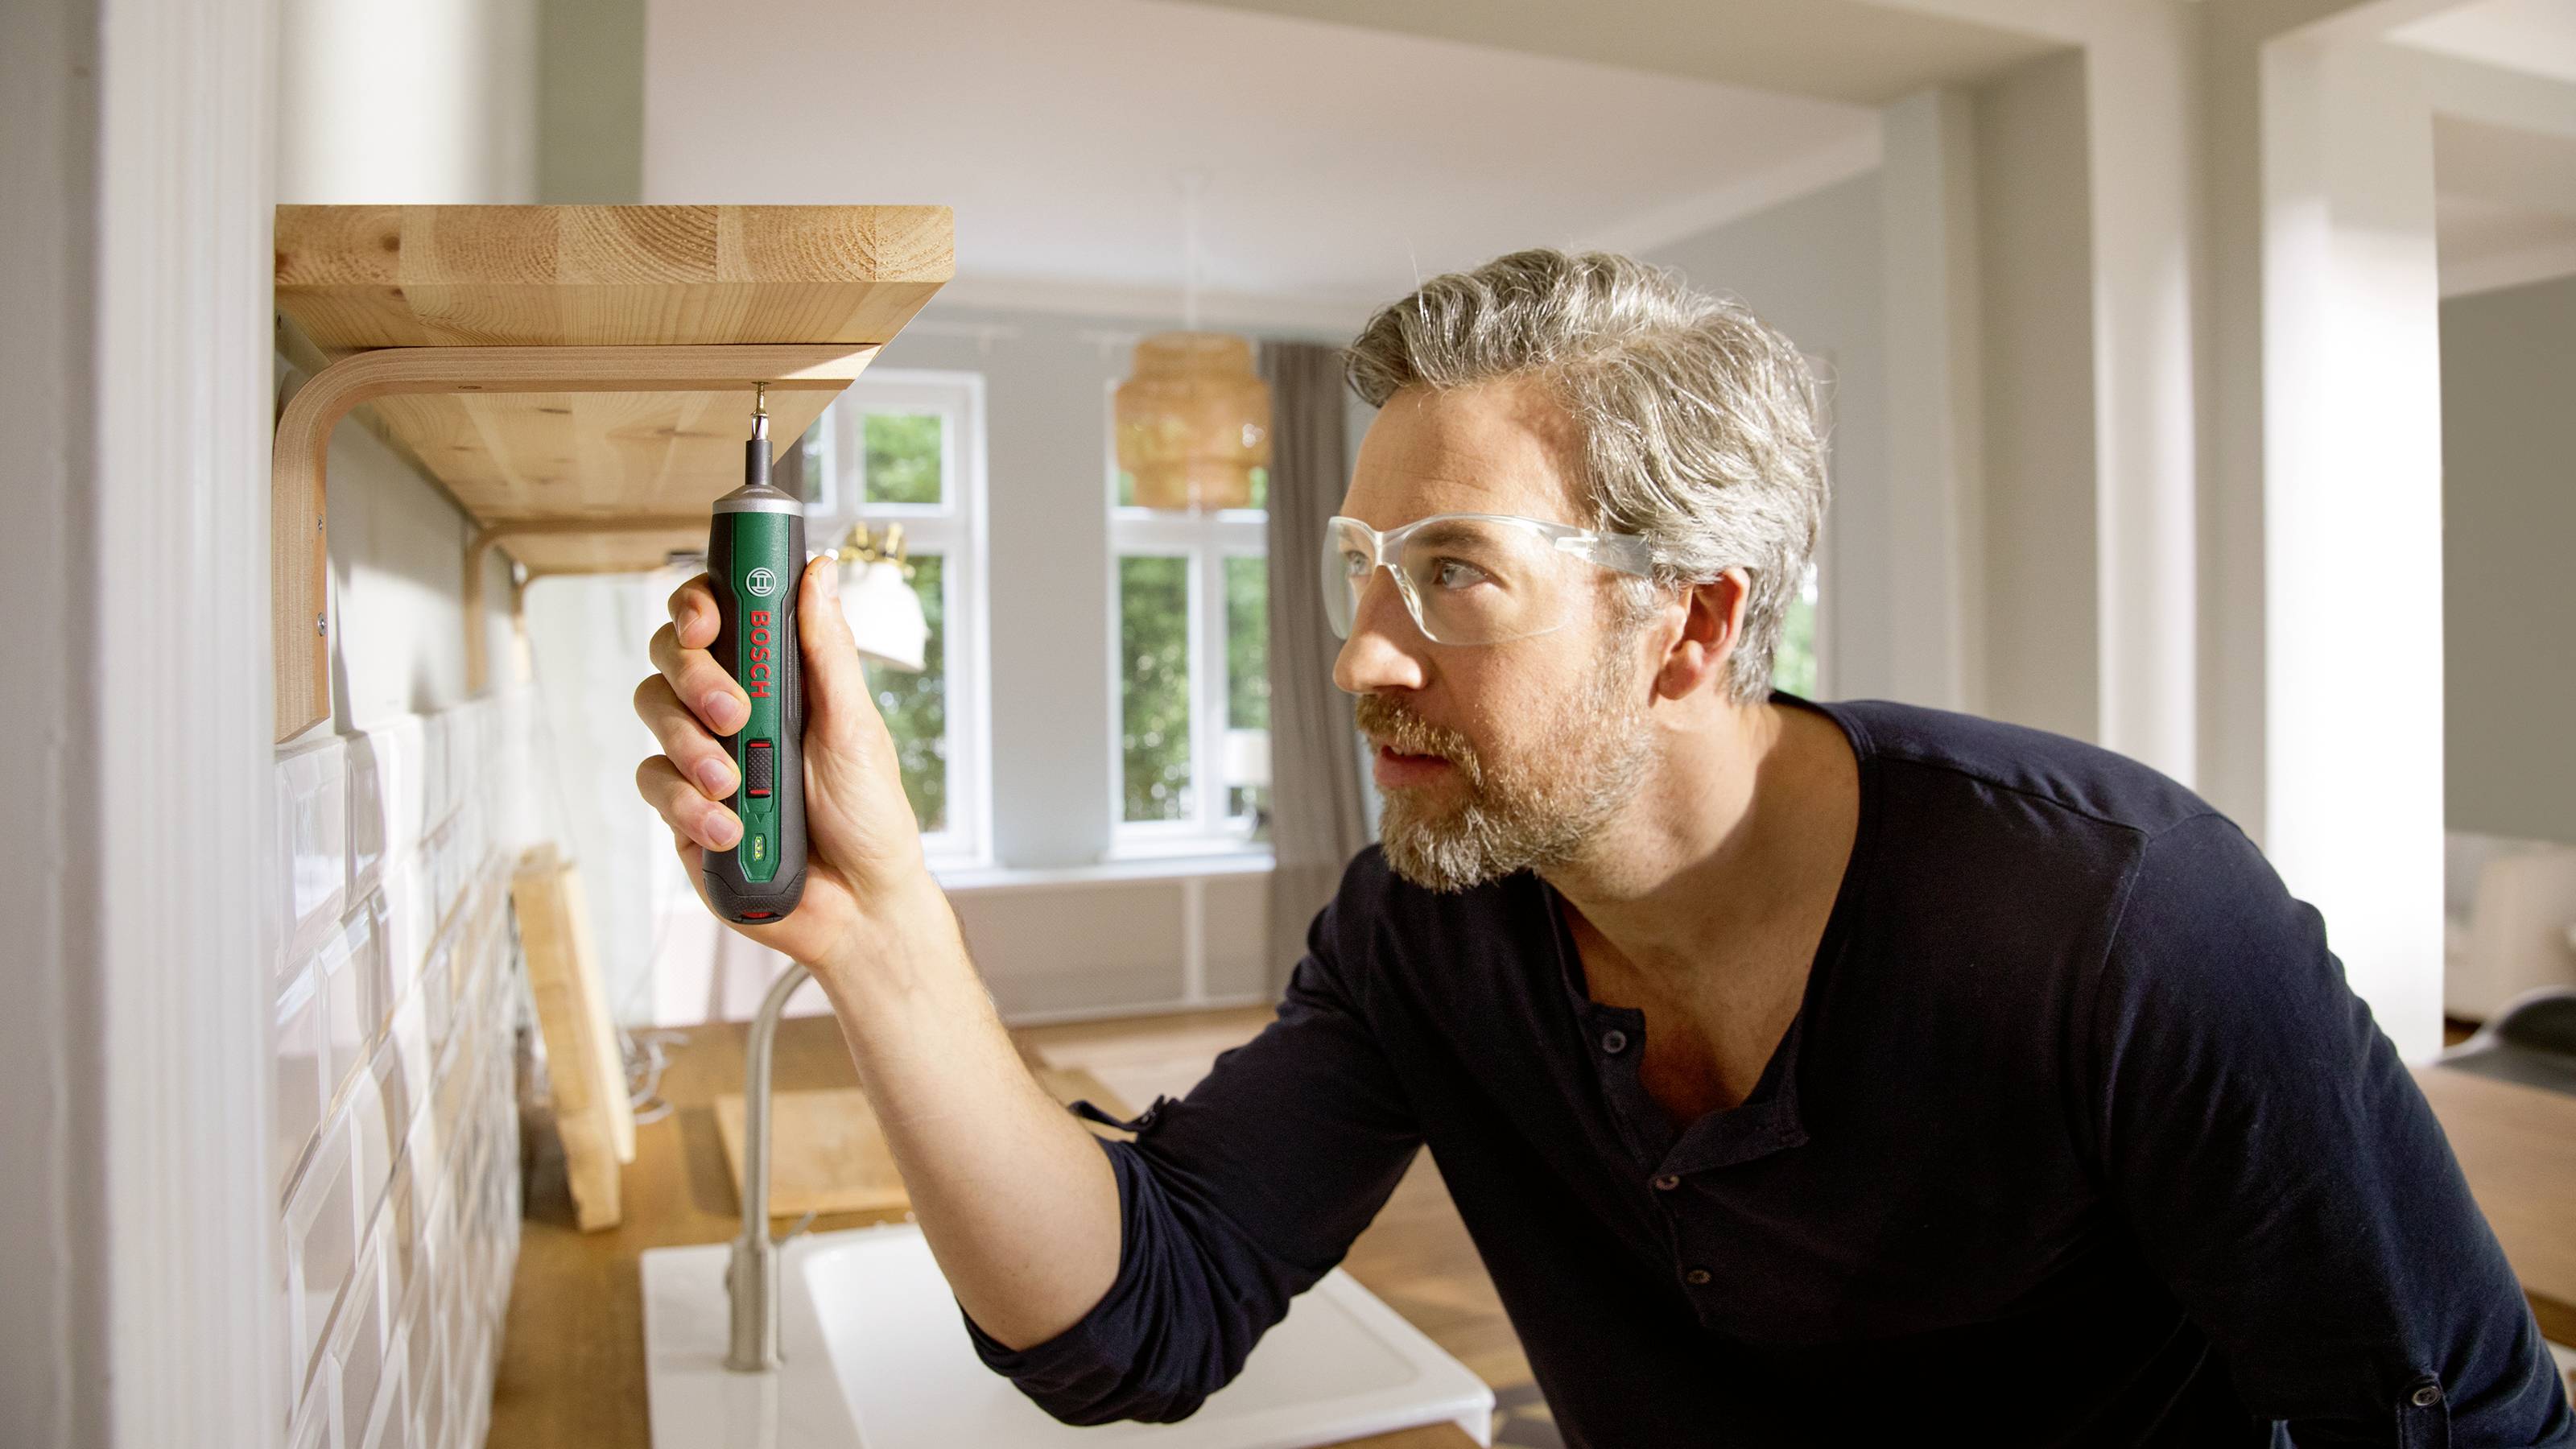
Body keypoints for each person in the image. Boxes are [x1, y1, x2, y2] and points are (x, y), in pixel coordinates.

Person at [632, 250, 2572, 1447]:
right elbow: (1139, 1317)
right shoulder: (1427, 926)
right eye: (1358, 570)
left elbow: (2451, 1426)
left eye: (1452, 576)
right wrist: (881, 939)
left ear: (1694, 626)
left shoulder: (2123, 926)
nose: (1356, 652)